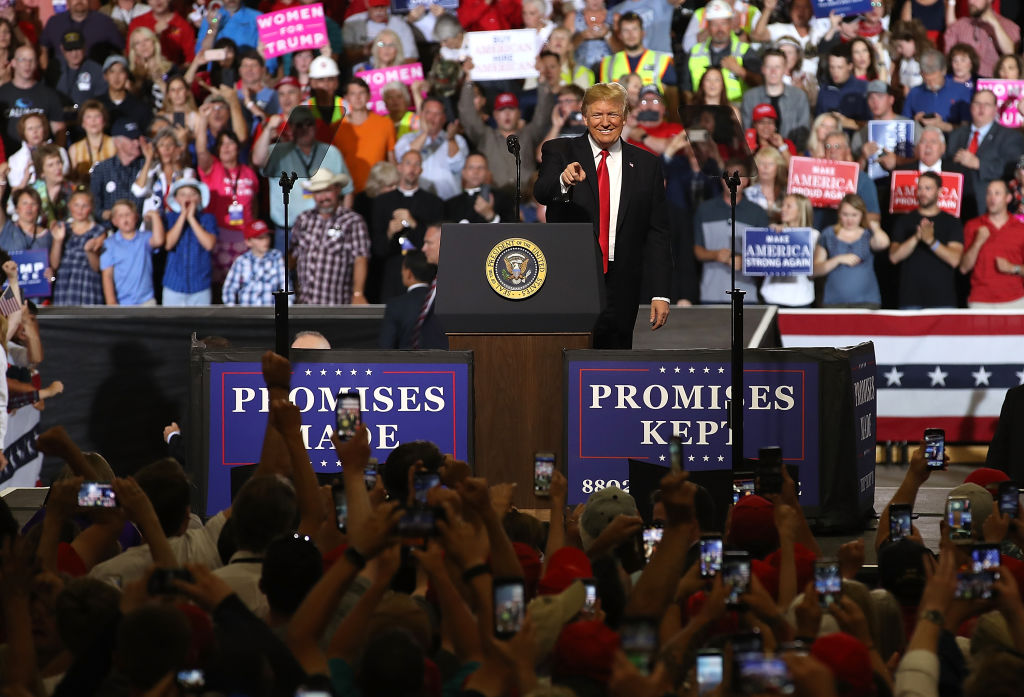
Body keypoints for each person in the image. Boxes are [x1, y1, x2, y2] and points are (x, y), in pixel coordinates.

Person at [535, 81, 671, 349]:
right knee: (569, 359)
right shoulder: (560, 151)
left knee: (615, 362)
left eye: (613, 114)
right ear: (585, 117)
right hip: (571, 279)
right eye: (597, 114)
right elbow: (542, 192)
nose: (605, 122)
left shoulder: (647, 165)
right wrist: (563, 180)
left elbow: (658, 232)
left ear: (625, 117)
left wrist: (661, 293)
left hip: (622, 286)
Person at [254, 108, 354, 252]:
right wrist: (269, 128)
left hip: (324, 230)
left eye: (308, 124)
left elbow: (348, 191)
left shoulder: (331, 153)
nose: (304, 129)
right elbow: (257, 160)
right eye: (299, 125)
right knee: (286, 267)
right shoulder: (277, 152)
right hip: (286, 231)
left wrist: (341, 224)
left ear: (315, 126)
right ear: (291, 128)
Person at [689, 158, 768, 305]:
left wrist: (745, 263)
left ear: (746, 181)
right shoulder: (704, 210)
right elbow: (696, 250)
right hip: (711, 295)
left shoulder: (758, 213)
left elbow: (765, 257)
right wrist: (715, 255)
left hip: (746, 296)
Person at [457, 79, 553, 197]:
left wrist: (543, 82)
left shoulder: (529, 134)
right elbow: (467, 116)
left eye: (511, 109)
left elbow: (544, 115)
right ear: (495, 115)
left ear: (519, 113)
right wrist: (468, 83)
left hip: (527, 197)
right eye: (502, 110)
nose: (507, 114)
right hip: (496, 199)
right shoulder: (485, 136)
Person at [371, 150, 443, 301]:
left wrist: (414, 224)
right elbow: (377, 247)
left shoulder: (434, 203)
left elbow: (438, 243)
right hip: (390, 272)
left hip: (422, 271)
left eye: (417, 164)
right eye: (408, 163)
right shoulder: (381, 202)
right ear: (399, 167)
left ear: (421, 170)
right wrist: (389, 232)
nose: (412, 168)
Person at [291, 169, 370, 305]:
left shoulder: (352, 221)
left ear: (337, 190)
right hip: (304, 303)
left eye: (327, 191)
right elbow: (293, 255)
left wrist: (358, 293)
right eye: (318, 192)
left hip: (336, 303)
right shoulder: (303, 219)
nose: (323, 198)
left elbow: (360, 259)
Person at [888, 171, 964, 308]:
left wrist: (931, 242)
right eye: (920, 188)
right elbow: (894, 257)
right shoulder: (904, 221)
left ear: (939, 191)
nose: (923, 193)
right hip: (910, 300)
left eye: (928, 188)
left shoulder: (952, 222)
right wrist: (917, 237)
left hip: (942, 300)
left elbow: (954, 260)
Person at [946, 89, 1024, 221]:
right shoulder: (956, 135)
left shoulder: (1010, 136)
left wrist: (979, 164)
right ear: (971, 107)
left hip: (988, 208)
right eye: (977, 103)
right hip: (954, 206)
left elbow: (1013, 170)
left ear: (995, 109)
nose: (981, 108)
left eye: (987, 104)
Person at [196, 127, 257, 285]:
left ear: (238, 147)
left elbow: (254, 204)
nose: (226, 147)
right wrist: (202, 121)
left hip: (244, 239)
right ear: (217, 149)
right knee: (219, 287)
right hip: (218, 238)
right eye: (222, 144)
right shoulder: (212, 168)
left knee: (243, 285)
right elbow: (201, 151)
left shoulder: (249, 172)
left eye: (230, 143)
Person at [814, 193, 890, 307]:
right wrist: (837, 260)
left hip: (867, 302)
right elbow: (815, 270)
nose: (850, 220)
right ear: (839, 214)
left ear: (862, 215)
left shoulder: (868, 235)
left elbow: (884, 244)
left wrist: (875, 227)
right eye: (845, 214)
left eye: (854, 215)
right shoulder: (829, 234)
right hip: (834, 302)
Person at [959, 179, 1024, 308]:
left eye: (997, 193)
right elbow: (964, 268)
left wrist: (1013, 268)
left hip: (1015, 300)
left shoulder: (1020, 229)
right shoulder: (973, 226)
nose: (992, 198)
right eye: (989, 193)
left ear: (1008, 198)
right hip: (980, 301)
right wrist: (978, 242)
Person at [395, 97, 467, 201]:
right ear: (421, 115)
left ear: (444, 118)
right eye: (428, 112)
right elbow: (403, 158)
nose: (431, 118)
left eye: (437, 114)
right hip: (415, 200)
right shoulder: (407, 138)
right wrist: (425, 133)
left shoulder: (457, 140)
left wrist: (451, 140)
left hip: (449, 200)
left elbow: (458, 166)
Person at [682, 1, 757, 101]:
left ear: (730, 24)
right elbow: (686, 89)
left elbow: (761, 84)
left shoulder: (745, 51)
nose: (720, 29)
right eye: (714, 24)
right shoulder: (694, 52)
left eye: (723, 24)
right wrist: (694, 109)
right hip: (703, 108)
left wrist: (740, 71)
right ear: (708, 27)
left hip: (736, 108)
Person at [333, 77, 396, 195]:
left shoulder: (386, 124)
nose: (357, 98)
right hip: (348, 193)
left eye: (361, 93)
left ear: (369, 96)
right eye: (353, 94)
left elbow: (391, 160)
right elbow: (333, 164)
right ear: (346, 98)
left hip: (380, 192)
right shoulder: (336, 128)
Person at [0, 45, 66, 156]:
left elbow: (60, 131)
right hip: (8, 157)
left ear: (36, 63)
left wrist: (56, 155)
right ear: (13, 63)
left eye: (31, 60)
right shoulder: (2, 93)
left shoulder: (49, 94)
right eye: (23, 60)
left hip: (40, 158)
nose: (27, 64)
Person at [740, 48, 810, 151]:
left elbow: (803, 132)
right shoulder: (750, 97)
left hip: (791, 153)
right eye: (769, 66)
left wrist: (791, 154)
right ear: (763, 69)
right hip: (758, 154)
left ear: (785, 69)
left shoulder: (799, 97)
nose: (773, 71)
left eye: (777, 67)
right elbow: (747, 131)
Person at [99, 199, 165, 305]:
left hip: (146, 301)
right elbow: (107, 275)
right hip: (123, 303)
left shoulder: (145, 238)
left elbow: (159, 241)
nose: (125, 219)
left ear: (136, 217)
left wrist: (155, 216)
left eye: (128, 214)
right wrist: (111, 303)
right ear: (114, 221)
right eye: (120, 216)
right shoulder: (110, 244)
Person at [761, 193, 819, 307]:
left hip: (801, 299)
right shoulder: (773, 231)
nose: (783, 209)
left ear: (801, 210)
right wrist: (769, 235)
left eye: (788, 206)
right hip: (772, 296)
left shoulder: (814, 235)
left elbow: (814, 271)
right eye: (783, 205)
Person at [50, 188, 106, 305]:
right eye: (76, 205)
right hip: (64, 286)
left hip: (88, 285)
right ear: (69, 205)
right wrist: (58, 241)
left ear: (91, 208)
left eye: (85, 206)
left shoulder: (99, 231)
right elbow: (54, 264)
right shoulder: (62, 227)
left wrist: (89, 251)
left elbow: (97, 267)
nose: (80, 210)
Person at [596, 12, 675, 91]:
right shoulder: (607, 63)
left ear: (643, 33)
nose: (630, 34)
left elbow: (673, 93)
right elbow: (604, 95)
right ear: (620, 35)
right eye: (625, 30)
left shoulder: (662, 60)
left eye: (635, 29)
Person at [902, 49, 972, 134]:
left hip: (951, 140)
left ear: (944, 71)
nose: (932, 84)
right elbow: (903, 128)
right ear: (921, 74)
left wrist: (942, 125)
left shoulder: (961, 90)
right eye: (927, 80)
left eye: (935, 79)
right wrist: (915, 122)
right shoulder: (914, 93)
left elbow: (967, 129)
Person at [943, 0, 1018, 78]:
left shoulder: (1008, 26)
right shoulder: (960, 25)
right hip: (966, 82)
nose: (971, 2)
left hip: (993, 81)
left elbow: (1013, 55)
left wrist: (995, 24)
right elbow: (949, 57)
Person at [90, 119, 146, 223]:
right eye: (132, 139)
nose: (137, 143)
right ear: (117, 142)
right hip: (110, 228)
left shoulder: (146, 166)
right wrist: (109, 215)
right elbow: (94, 206)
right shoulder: (102, 169)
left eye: (138, 138)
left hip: (141, 227)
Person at [221, 220, 287, 306]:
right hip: (247, 311)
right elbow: (229, 289)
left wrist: (284, 309)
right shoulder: (241, 261)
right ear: (248, 242)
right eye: (260, 238)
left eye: (267, 236)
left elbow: (285, 285)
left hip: (271, 311)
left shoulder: (276, 257)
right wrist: (233, 310)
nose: (265, 241)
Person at [378, 250, 436, 349]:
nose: (401, 273)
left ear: (409, 273)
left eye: (403, 269)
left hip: (405, 358)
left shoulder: (396, 305)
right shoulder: (439, 301)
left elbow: (386, 347)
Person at [40, 0, 123, 65]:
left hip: (97, 78)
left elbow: (122, 50)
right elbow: (43, 49)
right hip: (61, 78)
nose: (79, 1)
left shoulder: (104, 22)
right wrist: (47, 73)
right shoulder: (54, 22)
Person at [443, 153, 515, 224]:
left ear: (487, 172)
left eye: (481, 167)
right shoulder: (450, 204)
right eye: (471, 167)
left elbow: (513, 229)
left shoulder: (502, 198)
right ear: (463, 172)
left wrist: (490, 215)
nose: (476, 172)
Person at [54, 31, 107, 117]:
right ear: (62, 49)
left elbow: (100, 100)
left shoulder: (96, 70)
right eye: (69, 49)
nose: (74, 54)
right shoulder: (55, 68)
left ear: (84, 47)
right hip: (59, 117)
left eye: (77, 48)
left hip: (86, 118)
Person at [126, 0, 196, 65]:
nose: (157, 1)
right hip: (143, 70)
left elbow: (191, 58)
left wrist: (175, 71)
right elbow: (130, 53)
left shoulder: (183, 26)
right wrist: (155, 35)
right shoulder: (137, 23)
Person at [816, 44, 867, 128]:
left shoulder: (863, 88)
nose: (835, 72)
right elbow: (818, 122)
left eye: (840, 67)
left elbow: (872, 124)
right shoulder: (824, 90)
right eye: (832, 67)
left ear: (850, 66)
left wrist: (849, 123)